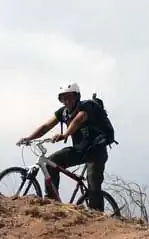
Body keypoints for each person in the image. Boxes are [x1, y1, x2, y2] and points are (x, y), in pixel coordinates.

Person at [16, 82, 115, 211]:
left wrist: (65, 134)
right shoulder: (63, 112)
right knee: (51, 162)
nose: (67, 101)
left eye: (70, 97)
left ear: (77, 97)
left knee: (93, 181)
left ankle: (98, 215)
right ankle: (52, 202)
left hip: (96, 150)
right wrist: (29, 138)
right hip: (80, 150)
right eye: (64, 98)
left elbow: (78, 120)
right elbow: (46, 126)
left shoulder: (87, 107)